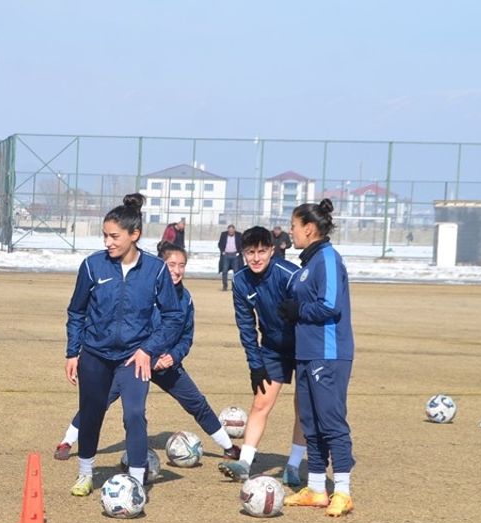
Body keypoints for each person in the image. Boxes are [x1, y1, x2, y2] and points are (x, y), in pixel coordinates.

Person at [54, 245, 238, 468]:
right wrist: (149, 354)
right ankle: (67, 442)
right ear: (161, 266)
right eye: (172, 265)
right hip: (134, 362)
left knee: (196, 402)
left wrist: (173, 356)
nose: (177, 271)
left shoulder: (186, 299)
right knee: (98, 402)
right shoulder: (146, 289)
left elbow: (186, 337)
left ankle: (228, 447)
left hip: (166, 364)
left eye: (182, 266)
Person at [65, 194, 182, 497]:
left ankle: (137, 479)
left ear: (134, 235)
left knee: (134, 413)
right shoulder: (92, 266)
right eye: (105, 235)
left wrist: (148, 349)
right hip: (95, 355)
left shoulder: (156, 270)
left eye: (114, 236)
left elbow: (171, 317)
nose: (108, 242)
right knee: (91, 413)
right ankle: (85, 473)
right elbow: (76, 311)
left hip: (135, 358)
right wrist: (72, 352)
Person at [280, 199, 356, 517]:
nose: (290, 232)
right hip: (306, 354)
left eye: (294, 226)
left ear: (309, 228)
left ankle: (343, 490)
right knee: (309, 421)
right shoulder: (306, 265)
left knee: (331, 421)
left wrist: (297, 310)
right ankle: (315, 488)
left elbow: (329, 306)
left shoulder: (327, 258)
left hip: (329, 353)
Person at [216, 227, 307, 488]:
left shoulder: (289, 274)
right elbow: (246, 326)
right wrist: (255, 365)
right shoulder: (241, 280)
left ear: (272, 250)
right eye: (250, 252)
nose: (256, 258)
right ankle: (244, 463)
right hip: (272, 349)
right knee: (260, 403)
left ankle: (292, 466)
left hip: (303, 348)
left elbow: (312, 308)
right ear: (243, 253)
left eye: (261, 252)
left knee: (303, 408)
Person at [217, 224, 243, 290]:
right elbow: (220, 244)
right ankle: (225, 286)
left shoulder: (239, 235)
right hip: (226, 255)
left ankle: (235, 286)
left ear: (234, 230)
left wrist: (238, 252)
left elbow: (242, 244)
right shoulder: (223, 234)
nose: (231, 232)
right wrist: (222, 251)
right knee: (224, 271)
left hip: (235, 256)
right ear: (227, 230)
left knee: (236, 272)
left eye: (232, 230)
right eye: (230, 230)